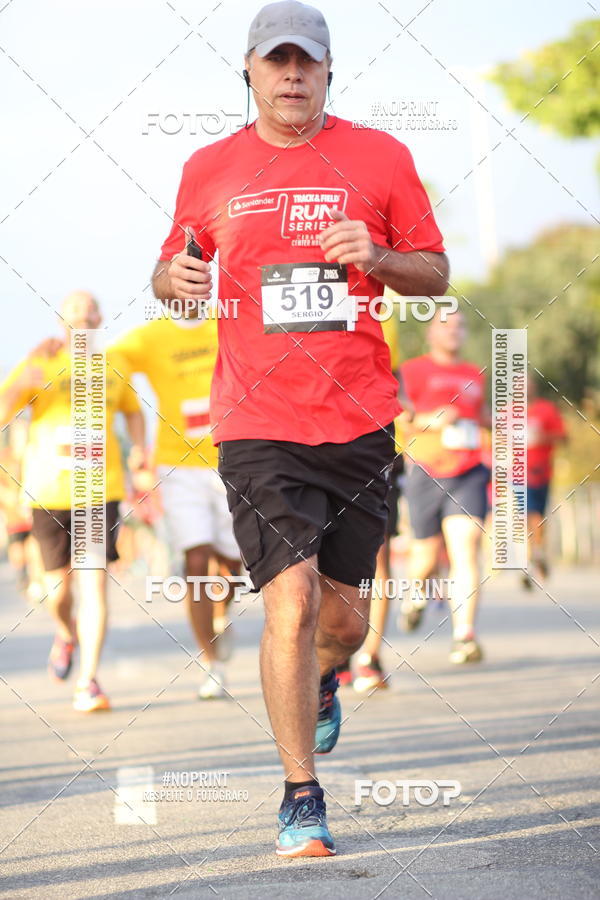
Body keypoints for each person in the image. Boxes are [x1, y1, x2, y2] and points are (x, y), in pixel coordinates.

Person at [152, 0, 448, 857]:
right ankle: (300, 797)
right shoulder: (208, 167)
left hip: (358, 418)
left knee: (345, 623)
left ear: (327, 72)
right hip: (256, 421)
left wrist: (380, 257)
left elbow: (433, 272)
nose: (292, 75)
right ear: (248, 71)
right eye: (276, 61)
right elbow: (175, 271)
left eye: (307, 62)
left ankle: (324, 678)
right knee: (288, 601)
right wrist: (172, 279)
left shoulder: (382, 156)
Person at [0, 291, 145, 711]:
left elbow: (134, 411)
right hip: (49, 491)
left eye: (89, 316)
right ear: (61, 323)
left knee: (94, 583)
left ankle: (88, 680)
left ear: (101, 319)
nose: (82, 324)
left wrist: (138, 448)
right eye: (74, 318)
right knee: (57, 593)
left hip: (99, 491)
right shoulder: (40, 363)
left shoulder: (115, 364)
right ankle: (65, 634)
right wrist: (23, 384)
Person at [111, 303, 242, 699]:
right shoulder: (151, 336)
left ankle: (223, 608)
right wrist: (67, 348)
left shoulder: (228, 319)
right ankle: (212, 663)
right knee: (196, 559)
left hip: (232, 458)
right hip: (178, 464)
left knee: (233, 562)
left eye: (199, 278)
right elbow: (106, 363)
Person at [400, 309, 489, 664]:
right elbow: (397, 416)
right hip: (425, 468)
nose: (454, 331)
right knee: (423, 556)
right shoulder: (412, 370)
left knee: (465, 547)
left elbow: (481, 417)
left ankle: (464, 635)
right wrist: (432, 420)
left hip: (468, 469)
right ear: (430, 332)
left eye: (460, 325)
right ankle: (414, 594)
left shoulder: (474, 374)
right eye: (445, 325)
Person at [523, 374, 567, 586]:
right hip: (517, 473)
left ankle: (536, 552)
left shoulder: (546, 409)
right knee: (527, 515)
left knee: (537, 516)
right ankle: (533, 556)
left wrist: (543, 437)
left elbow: (563, 437)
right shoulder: (508, 412)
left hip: (541, 471)